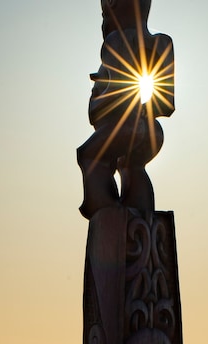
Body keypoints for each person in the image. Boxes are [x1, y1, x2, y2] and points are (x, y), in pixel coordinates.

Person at [76, 0, 174, 219]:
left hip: (123, 125)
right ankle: (141, 218)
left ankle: (107, 213)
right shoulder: (162, 42)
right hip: (152, 129)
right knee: (131, 165)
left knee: (90, 156)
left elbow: (116, 98)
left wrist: (96, 99)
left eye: (104, 14)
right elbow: (166, 102)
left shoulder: (116, 41)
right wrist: (144, 113)